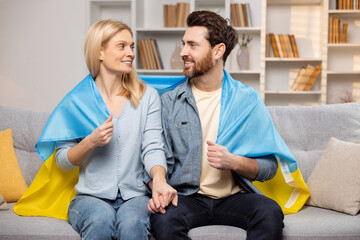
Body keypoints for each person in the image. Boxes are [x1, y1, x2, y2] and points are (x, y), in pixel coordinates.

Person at [148, 10, 310, 240]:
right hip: (186, 197)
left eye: (192, 45)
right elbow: (158, 156)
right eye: (183, 44)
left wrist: (233, 161)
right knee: (163, 219)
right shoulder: (169, 102)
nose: (183, 52)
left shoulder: (247, 100)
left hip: (235, 198)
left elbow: (268, 168)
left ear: (218, 50)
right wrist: (159, 185)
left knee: (269, 212)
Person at [15, 19, 177, 240]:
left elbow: (153, 147)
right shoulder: (78, 100)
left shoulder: (146, 96)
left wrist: (159, 179)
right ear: (100, 52)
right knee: (100, 221)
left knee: (131, 224)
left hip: (136, 196)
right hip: (89, 198)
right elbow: (62, 161)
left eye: (131, 46)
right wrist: (90, 142)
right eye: (121, 46)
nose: (130, 52)